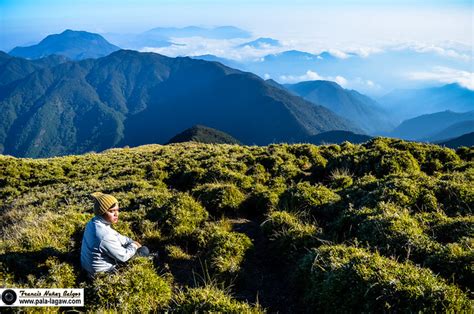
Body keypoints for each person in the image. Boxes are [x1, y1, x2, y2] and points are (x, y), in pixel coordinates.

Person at [80, 192, 150, 277]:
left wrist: (131, 242)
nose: (116, 214)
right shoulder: (104, 235)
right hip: (102, 274)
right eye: (111, 211)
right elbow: (123, 257)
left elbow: (117, 236)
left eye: (117, 210)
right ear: (101, 212)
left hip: (88, 268)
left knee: (132, 247)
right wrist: (134, 246)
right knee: (144, 250)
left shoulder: (94, 222)